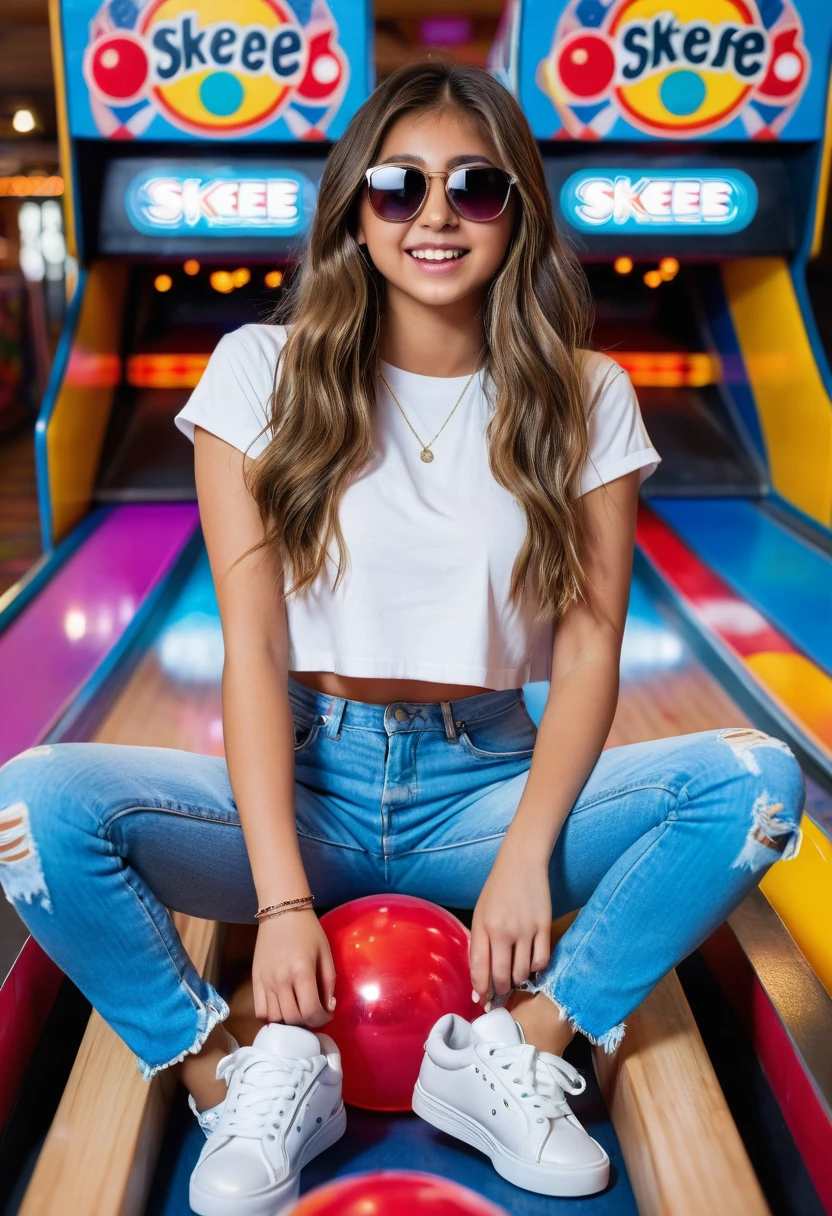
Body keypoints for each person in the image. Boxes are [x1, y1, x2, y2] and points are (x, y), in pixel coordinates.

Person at [0, 60, 804, 1210]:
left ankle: (516, 1049)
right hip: (305, 779)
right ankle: (228, 1076)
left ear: (517, 209)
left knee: (754, 784)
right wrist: (281, 905)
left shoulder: (586, 395)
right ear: (355, 211)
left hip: (481, 789)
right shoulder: (257, 373)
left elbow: (585, 652)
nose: (436, 215)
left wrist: (527, 853)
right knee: (34, 807)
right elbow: (258, 651)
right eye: (399, 186)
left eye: (476, 188)